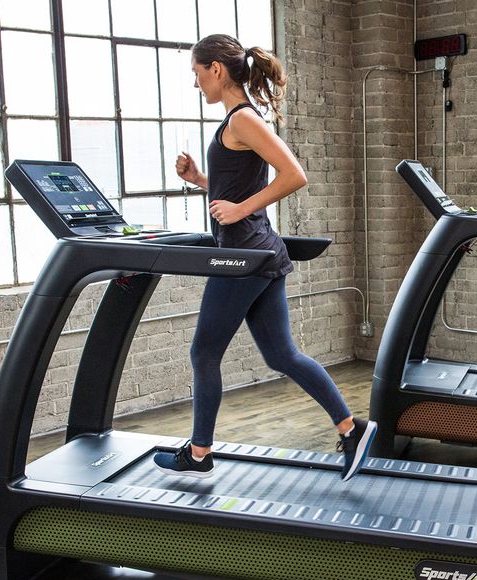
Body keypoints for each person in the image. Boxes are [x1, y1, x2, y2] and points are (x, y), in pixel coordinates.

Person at [154, 34, 376, 481]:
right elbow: (235, 184)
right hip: (259, 252)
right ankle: (352, 430)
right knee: (281, 355)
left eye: (197, 75)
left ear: (216, 69)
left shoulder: (242, 120)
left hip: (244, 257)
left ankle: (199, 454)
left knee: (203, 353)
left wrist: (240, 209)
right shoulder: (236, 122)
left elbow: (295, 175)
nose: (196, 84)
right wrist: (201, 179)